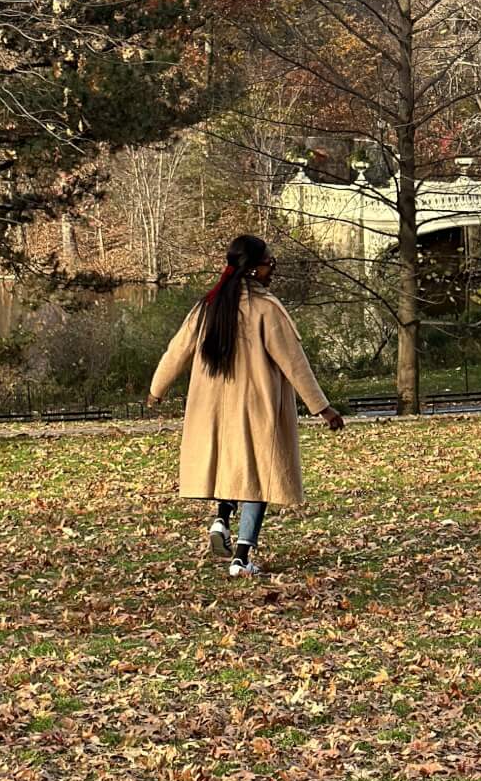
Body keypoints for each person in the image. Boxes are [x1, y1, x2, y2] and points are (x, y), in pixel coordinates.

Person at [147, 234, 344, 576]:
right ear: (254, 268)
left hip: (212, 408)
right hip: (256, 405)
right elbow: (294, 362)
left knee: (231, 466)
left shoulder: (208, 305)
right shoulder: (266, 308)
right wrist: (322, 407)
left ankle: (221, 521)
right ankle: (241, 557)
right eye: (270, 263)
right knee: (257, 476)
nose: (272, 270)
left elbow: (176, 351)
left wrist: (156, 390)